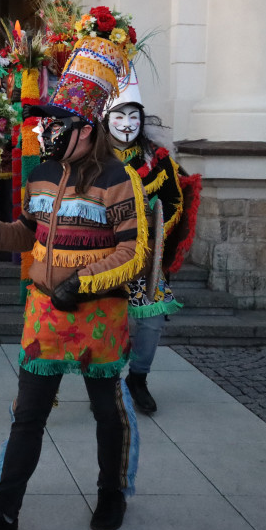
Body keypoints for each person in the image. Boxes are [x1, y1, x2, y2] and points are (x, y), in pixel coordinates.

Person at [0, 19, 145, 530]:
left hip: (99, 316)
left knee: (107, 413)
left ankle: (111, 493)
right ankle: (4, 512)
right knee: (28, 415)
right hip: (43, 315)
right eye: (47, 121)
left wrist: (82, 284)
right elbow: (30, 233)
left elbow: (133, 252)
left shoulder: (117, 179)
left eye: (59, 121)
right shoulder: (38, 174)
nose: (48, 129)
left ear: (87, 128)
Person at [104, 67, 189, 412]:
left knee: (151, 320)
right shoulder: (92, 158)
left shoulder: (158, 159)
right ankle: (104, 381)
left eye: (133, 116)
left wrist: (156, 233)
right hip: (103, 255)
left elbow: (174, 200)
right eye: (119, 116)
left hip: (145, 257)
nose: (126, 123)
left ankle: (138, 377)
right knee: (108, 319)